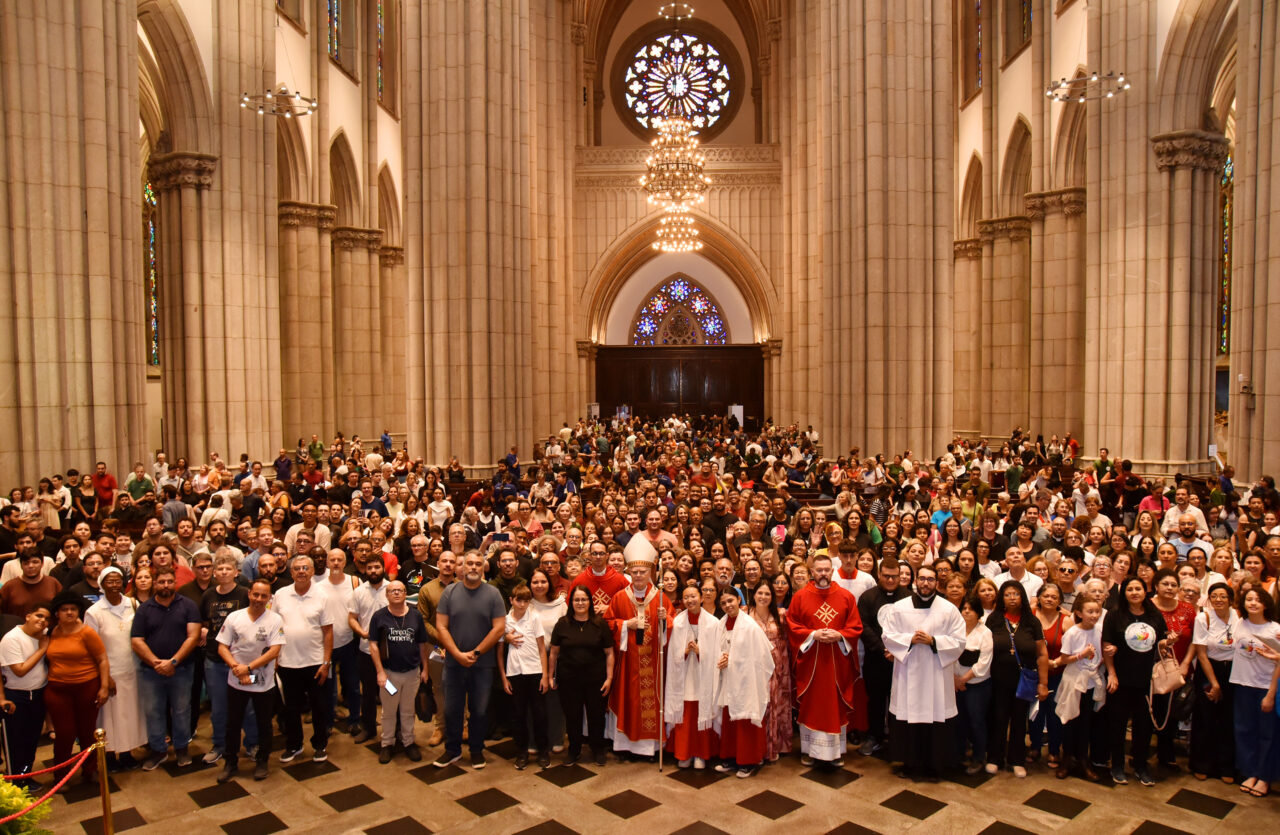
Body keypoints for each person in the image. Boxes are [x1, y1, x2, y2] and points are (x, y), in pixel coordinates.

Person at [879, 564, 966, 781]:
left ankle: (934, 765)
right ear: (915, 581)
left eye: (930, 579)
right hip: (909, 671)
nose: (926, 583)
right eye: (922, 579)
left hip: (937, 673)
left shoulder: (948, 609)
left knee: (936, 717)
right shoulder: (899, 607)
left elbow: (959, 640)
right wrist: (909, 639)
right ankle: (909, 763)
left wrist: (933, 641)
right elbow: (887, 635)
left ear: (937, 583)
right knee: (908, 716)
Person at [786, 553, 864, 766]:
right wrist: (813, 635)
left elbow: (855, 626)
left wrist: (840, 635)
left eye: (826, 570)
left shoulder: (846, 596)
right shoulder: (800, 596)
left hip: (837, 662)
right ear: (812, 572)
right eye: (818, 570)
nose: (823, 574)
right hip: (811, 661)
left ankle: (835, 752)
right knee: (812, 705)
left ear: (832, 571)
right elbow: (792, 624)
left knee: (835, 704)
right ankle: (810, 751)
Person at [433, 550, 506, 769]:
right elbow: (441, 626)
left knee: (479, 710)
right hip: (454, 663)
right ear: (462, 567)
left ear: (483, 567)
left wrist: (475, 653)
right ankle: (452, 750)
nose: (473, 567)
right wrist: (456, 653)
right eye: (469, 564)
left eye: (477, 564)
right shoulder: (450, 592)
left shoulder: (493, 594)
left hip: (482, 664)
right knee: (452, 709)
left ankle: (476, 750)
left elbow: (499, 628)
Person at [603, 536, 673, 759]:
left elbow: (672, 626)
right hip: (628, 663)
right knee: (629, 702)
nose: (639, 575)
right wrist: (626, 625)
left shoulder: (661, 598)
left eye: (643, 571)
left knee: (651, 701)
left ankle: (650, 748)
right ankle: (625, 747)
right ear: (629, 573)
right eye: (635, 572)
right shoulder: (619, 597)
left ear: (650, 572)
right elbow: (606, 624)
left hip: (653, 663)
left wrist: (664, 621)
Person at [1102, 576, 1173, 786]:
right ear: (1124, 593)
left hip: (1146, 679)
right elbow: (1107, 645)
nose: (1134, 592)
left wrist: (1168, 642)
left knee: (1143, 726)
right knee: (1117, 724)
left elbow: (1159, 643)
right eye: (1130, 589)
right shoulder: (1114, 615)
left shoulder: (1154, 615)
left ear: (1145, 592)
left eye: (1138, 589)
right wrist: (1112, 673)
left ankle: (1140, 765)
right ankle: (1117, 765)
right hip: (1121, 678)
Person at [130, 564, 201, 770]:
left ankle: (181, 748)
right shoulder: (144, 609)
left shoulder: (188, 605)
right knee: (154, 712)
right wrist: (156, 663)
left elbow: (193, 636)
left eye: (170, 581)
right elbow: (136, 641)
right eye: (161, 582)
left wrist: (173, 662)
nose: (166, 585)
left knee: (181, 710)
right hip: (151, 671)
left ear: (175, 583)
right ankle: (158, 750)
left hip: (182, 669)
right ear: (155, 584)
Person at [215, 578, 286, 783]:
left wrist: (249, 668)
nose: (258, 599)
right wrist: (237, 668)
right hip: (236, 679)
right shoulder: (234, 617)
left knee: (264, 723)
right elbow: (222, 647)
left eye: (264, 596)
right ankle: (230, 763)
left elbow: (275, 650)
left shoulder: (275, 620)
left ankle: (262, 761)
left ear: (269, 598)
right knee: (233, 723)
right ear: (249, 594)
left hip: (263, 681)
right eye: (256, 594)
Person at [83, 567, 147, 770]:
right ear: (101, 584)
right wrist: (104, 677)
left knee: (130, 714)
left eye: (117, 580)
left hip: (133, 669)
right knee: (109, 717)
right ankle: (109, 756)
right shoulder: (94, 612)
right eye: (109, 581)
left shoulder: (133, 604)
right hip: (108, 672)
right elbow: (91, 648)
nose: (114, 585)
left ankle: (127, 753)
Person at [273, 554, 335, 764]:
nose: (301, 571)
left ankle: (319, 744)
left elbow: (328, 632)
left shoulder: (322, 596)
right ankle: (294, 745)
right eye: (297, 568)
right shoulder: (280, 595)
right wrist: (274, 659)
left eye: (305, 568)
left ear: (311, 571)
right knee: (291, 708)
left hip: (315, 662)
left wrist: (326, 662)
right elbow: (275, 628)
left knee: (319, 707)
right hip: (287, 662)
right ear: (291, 572)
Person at [985, 580, 1049, 777]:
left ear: (1022, 596)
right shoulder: (994, 620)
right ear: (1001, 598)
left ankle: (1016, 759)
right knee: (998, 719)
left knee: (1020, 720)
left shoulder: (1032, 622)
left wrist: (1043, 683)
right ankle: (994, 758)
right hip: (997, 680)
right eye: (1007, 594)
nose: (1012, 598)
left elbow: (1042, 654)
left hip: (1024, 680)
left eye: (1016, 594)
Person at [46, 590, 110, 785]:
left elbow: (102, 659)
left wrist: (104, 687)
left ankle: (89, 770)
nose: (69, 613)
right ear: (57, 613)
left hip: (86, 686)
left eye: (73, 609)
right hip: (57, 689)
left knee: (86, 731)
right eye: (64, 609)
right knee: (64, 733)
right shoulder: (50, 633)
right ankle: (61, 776)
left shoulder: (86, 632)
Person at [550, 584, 615, 765]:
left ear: (590, 602)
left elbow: (609, 652)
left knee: (596, 716)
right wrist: (550, 676)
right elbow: (554, 652)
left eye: (584, 599)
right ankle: (574, 749)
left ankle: (598, 749)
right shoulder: (563, 624)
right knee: (573, 716)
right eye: (576, 600)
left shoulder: (599, 624)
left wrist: (609, 678)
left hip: (596, 680)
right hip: (569, 679)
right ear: (571, 602)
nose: (580, 603)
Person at [712, 587, 774, 778]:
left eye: (730, 601)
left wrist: (731, 659)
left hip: (747, 681)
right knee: (730, 719)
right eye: (723, 603)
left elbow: (761, 656)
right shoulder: (721, 624)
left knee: (745, 719)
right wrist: (721, 659)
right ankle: (731, 757)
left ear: (738, 600)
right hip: (728, 679)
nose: (727, 605)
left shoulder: (749, 626)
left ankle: (749, 760)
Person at [197, 554, 252, 765]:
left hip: (243, 661)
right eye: (219, 570)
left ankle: (252, 743)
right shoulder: (208, 595)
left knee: (248, 704)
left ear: (236, 572)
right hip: (215, 661)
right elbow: (205, 621)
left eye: (228, 569)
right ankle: (220, 745)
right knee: (219, 707)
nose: (223, 573)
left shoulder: (245, 594)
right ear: (214, 573)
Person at [369, 580, 430, 764]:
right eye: (392, 590)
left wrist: (425, 668)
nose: (396, 593)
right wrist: (380, 672)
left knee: (408, 710)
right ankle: (387, 744)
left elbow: (422, 644)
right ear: (386, 595)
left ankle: (408, 742)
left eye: (400, 590)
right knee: (389, 710)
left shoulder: (415, 616)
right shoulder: (379, 616)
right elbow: (373, 645)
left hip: (412, 674)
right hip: (389, 675)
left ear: (405, 594)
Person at [1230, 586, 1280, 797]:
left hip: (1265, 687)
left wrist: (1271, 693)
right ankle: (1250, 772)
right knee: (1244, 730)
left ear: (1266, 604)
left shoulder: (1275, 629)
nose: (1252, 603)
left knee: (1267, 734)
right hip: (1242, 685)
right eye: (1249, 599)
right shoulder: (1240, 623)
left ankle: (1264, 776)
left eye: (1258, 600)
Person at [665, 584, 720, 769]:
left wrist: (700, 651)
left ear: (701, 597)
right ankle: (684, 753)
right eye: (686, 597)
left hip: (703, 676)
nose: (690, 600)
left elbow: (717, 651)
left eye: (693, 596)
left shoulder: (713, 623)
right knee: (686, 715)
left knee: (702, 712)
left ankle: (701, 754)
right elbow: (672, 653)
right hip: (684, 676)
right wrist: (685, 651)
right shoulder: (678, 622)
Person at [858, 556, 908, 756]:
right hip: (876, 658)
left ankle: (898, 739)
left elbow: (912, 627)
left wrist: (897, 651)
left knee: (900, 700)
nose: (890, 580)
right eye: (886, 576)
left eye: (894, 577)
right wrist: (882, 649)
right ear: (878, 574)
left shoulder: (908, 597)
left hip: (902, 659)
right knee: (876, 699)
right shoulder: (868, 597)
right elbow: (864, 626)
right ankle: (874, 736)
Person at [497, 582, 550, 769]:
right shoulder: (504, 621)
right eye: (519, 600)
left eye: (526, 601)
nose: (522, 604)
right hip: (514, 672)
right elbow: (500, 652)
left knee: (539, 714)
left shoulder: (534, 617)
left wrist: (545, 675)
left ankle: (543, 751)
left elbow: (542, 649)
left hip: (535, 670)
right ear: (511, 600)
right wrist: (504, 677)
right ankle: (522, 752)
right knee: (518, 715)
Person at [1190, 582, 1239, 781]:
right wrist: (1215, 683)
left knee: (1228, 719)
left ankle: (1226, 766)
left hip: (1234, 671)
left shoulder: (1238, 616)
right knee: (1205, 718)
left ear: (1230, 599)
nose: (1219, 600)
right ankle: (1202, 763)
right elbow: (1201, 653)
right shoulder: (1204, 618)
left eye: (1223, 596)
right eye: (1214, 596)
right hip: (1209, 669)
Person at [1055, 596, 1106, 781]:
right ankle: (1066, 758)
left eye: (1097, 612)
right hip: (1073, 680)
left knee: (1086, 721)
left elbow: (1101, 654)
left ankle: (1083, 758)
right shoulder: (1073, 633)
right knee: (1070, 720)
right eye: (1090, 611)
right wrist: (1081, 655)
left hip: (1090, 682)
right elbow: (1064, 658)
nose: (1094, 615)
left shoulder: (1100, 630)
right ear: (1079, 613)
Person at [0, 603, 50, 788]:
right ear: (28, 616)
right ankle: (15, 781)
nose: (42, 620)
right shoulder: (12, 638)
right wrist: (42, 650)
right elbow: (19, 670)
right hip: (16, 696)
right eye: (39, 615)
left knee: (31, 739)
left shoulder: (42, 637)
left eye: (46, 618)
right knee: (15, 741)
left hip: (37, 694)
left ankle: (26, 775)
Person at [749, 582, 792, 762]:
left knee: (776, 704)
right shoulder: (745, 614)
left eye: (767, 594)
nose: (763, 597)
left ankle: (774, 747)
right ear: (754, 595)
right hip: (754, 668)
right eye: (760, 593)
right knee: (758, 707)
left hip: (777, 668)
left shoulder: (781, 615)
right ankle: (757, 749)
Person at [347, 553, 388, 744]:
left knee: (391, 691)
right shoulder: (359, 592)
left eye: (377, 567)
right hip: (366, 651)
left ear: (383, 568)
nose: (373, 571)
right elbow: (352, 619)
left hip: (390, 652)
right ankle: (369, 728)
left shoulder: (393, 589)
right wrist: (361, 632)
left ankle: (393, 730)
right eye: (370, 568)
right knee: (369, 692)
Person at [417, 550, 456, 748]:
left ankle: (463, 724)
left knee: (460, 686)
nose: (448, 565)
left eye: (452, 561)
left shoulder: (463, 588)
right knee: (439, 687)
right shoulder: (427, 589)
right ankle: (440, 727)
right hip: (435, 647)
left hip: (459, 647)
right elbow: (422, 620)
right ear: (438, 564)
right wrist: (442, 637)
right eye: (444, 561)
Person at [954, 597, 993, 775]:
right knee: (959, 720)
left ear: (979, 612)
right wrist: (955, 679)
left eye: (971, 609)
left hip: (977, 684)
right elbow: (948, 656)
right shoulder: (955, 631)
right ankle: (960, 753)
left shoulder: (985, 632)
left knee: (977, 721)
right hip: (955, 683)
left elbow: (983, 663)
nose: (967, 612)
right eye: (964, 608)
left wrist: (964, 680)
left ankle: (978, 757)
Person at [568, 540, 629, 616]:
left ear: (607, 556)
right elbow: (570, 605)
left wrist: (610, 608)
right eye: (594, 553)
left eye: (601, 553)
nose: (598, 557)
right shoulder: (579, 580)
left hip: (612, 624)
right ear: (590, 556)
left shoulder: (620, 580)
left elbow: (629, 605)